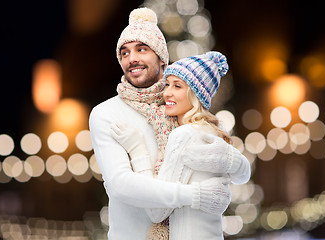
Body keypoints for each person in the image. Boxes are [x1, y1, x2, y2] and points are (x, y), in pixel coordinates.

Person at [89, 8, 234, 240]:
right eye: (124, 53)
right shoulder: (106, 113)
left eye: (142, 49)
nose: (131, 58)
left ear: (161, 58)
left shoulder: (181, 106)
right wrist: (195, 195)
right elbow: (121, 184)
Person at [110, 51, 251, 240]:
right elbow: (243, 174)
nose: (167, 92)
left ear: (196, 94)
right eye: (167, 84)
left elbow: (156, 211)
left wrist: (137, 150)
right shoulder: (212, 132)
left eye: (177, 86)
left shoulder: (184, 135)